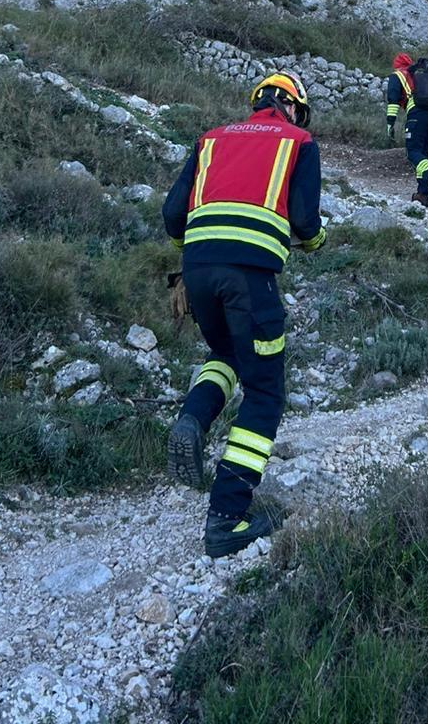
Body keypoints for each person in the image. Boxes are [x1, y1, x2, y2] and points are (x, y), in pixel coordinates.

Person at [163, 71, 325, 558]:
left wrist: (193, 256)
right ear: (293, 107)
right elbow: (304, 219)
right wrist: (316, 242)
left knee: (224, 353)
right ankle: (227, 518)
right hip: (249, 277)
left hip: (198, 269)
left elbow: (174, 214)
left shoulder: (212, 138)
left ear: (256, 104)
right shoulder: (299, 141)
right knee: (266, 393)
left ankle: (193, 418)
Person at [385, 52, 428, 205]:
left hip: (418, 114)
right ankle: (423, 194)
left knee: (413, 152)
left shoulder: (399, 75)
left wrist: (390, 124)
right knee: (423, 155)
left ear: (396, 65)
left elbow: (393, 101)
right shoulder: (426, 78)